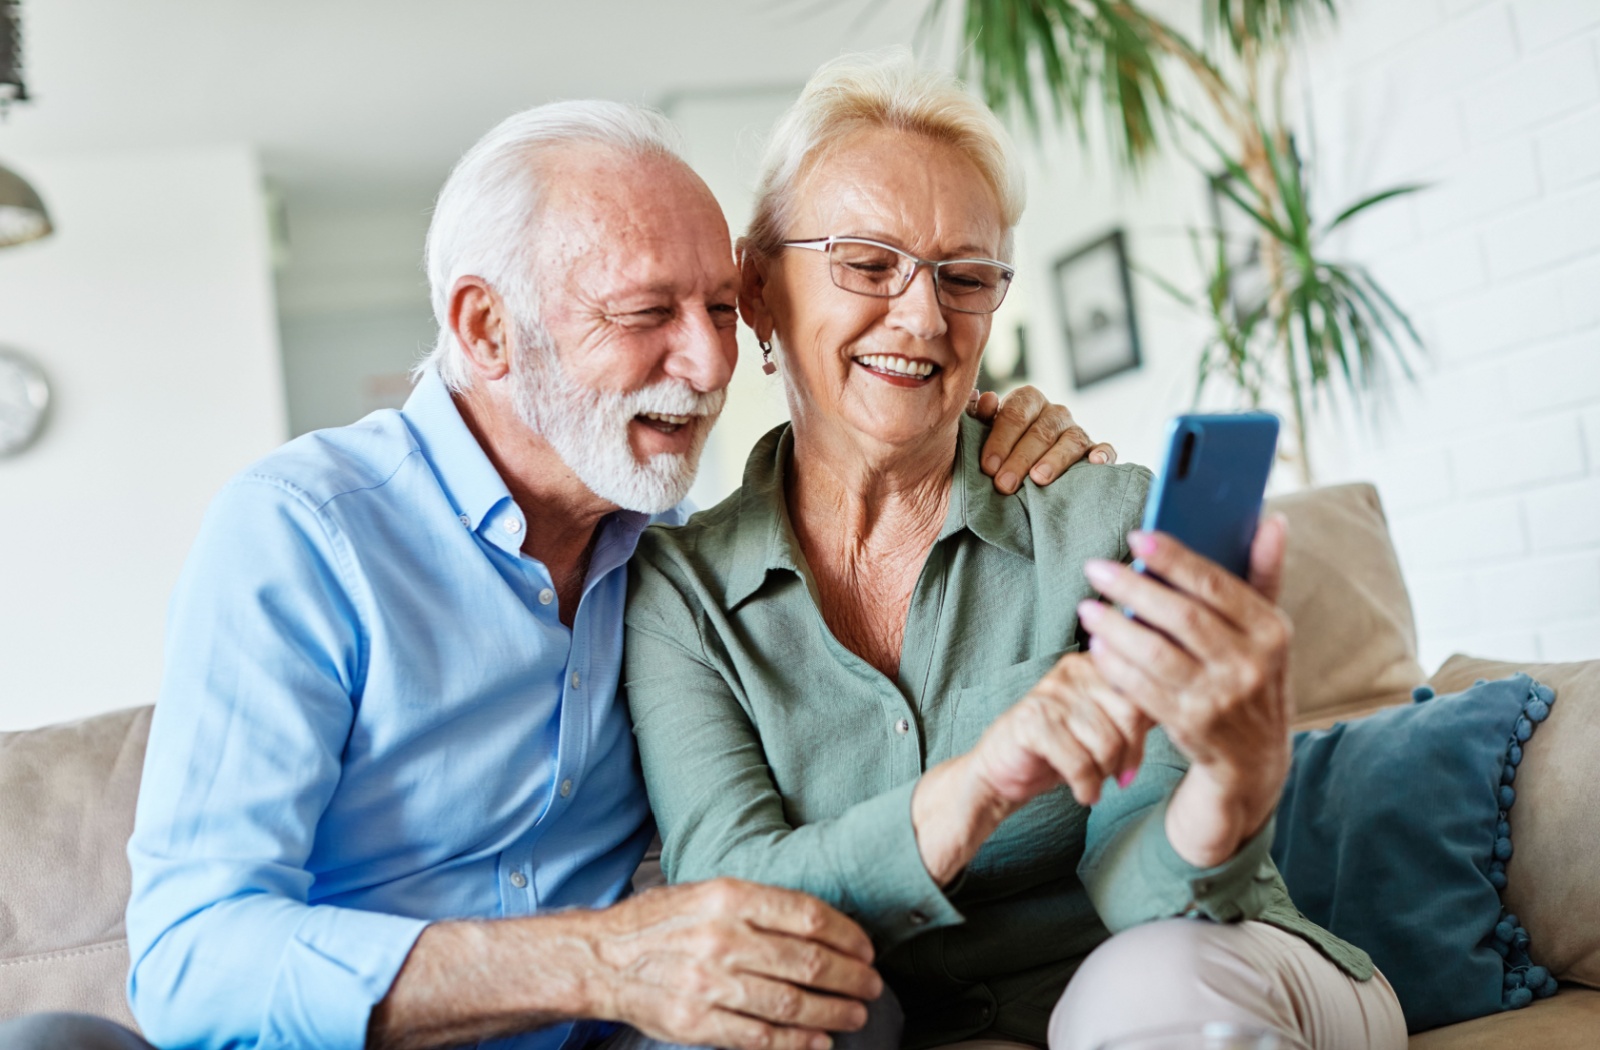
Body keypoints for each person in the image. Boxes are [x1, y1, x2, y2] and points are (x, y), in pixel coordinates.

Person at [0, 102, 1109, 1050]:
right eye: (646, 314)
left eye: (721, 308)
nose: (714, 363)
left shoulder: (672, 558)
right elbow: (193, 957)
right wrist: (596, 960)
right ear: (487, 328)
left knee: (820, 998)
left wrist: (975, 422)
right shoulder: (306, 534)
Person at [622, 53, 1408, 1050]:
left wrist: (1230, 784)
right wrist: (975, 786)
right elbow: (730, 906)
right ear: (760, 289)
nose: (921, 316)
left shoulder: (1102, 524)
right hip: (899, 1020)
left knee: (1145, 986)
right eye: (867, 264)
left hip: (1202, 967)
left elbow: (1151, 894)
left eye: (965, 277)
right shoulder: (680, 596)